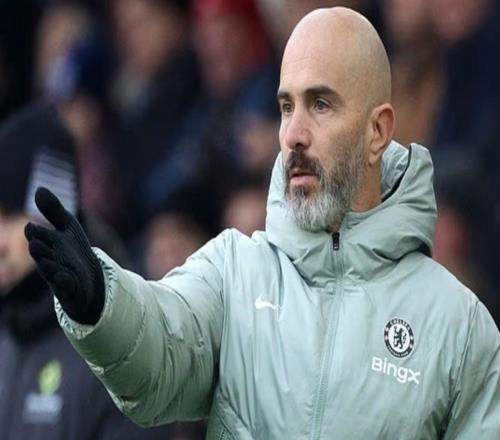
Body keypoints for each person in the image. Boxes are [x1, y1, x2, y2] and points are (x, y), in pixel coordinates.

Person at [24, 7, 500, 439]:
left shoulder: (460, 326)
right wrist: (102, 301)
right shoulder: (233, 271)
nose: (293, 135)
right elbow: (161, 344)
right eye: (286, 107)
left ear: (377, 132)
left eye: (320, 104)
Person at [0, 103, 179, 439]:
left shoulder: (125, 339)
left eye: (10, 216)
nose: (0, 244)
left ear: (55, 212)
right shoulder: (9, 330)